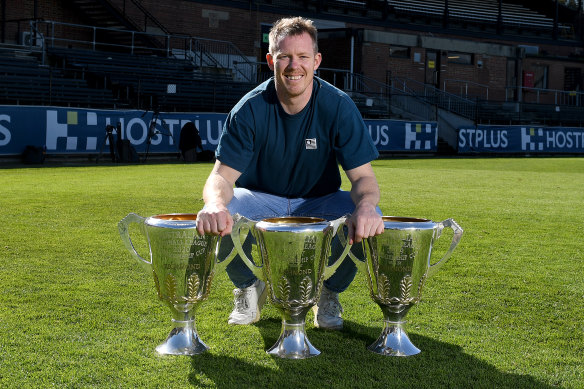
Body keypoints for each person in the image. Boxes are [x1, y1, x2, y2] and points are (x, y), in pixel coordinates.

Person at [196, 16, 384, 330]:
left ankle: (329, 293)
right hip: (261, 199)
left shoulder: (338, 106)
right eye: (284, 56)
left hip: (318, 200)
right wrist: (214, 203)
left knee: (370, 215)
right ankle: (247, 288)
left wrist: (365, 207)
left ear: (317, 61)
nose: (293, 65)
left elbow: (364, 179)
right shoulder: (249, 109)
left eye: (302, 57)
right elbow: (221, 178)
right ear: (270, 60)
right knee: (220, 211)